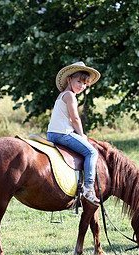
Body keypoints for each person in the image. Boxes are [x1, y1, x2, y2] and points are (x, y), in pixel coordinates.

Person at [47, 62, 101, 206]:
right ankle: (89, 187)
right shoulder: (70, 95)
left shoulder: (61, 95)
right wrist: (82, 135)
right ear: (69, 79)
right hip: (62, 134)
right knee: (92, 152)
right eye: (79, 82)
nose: (81, 86)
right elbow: (75, 118)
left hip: (52, 133)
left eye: (84, 84)